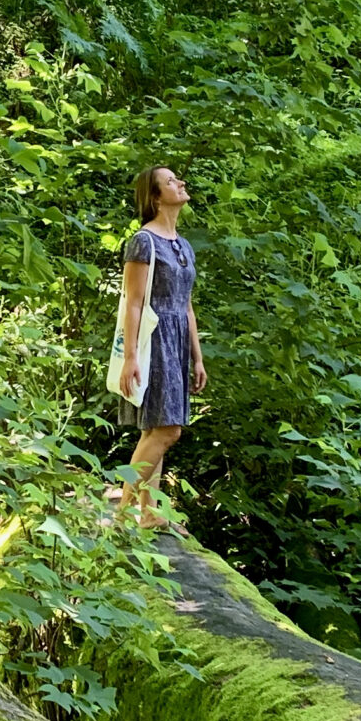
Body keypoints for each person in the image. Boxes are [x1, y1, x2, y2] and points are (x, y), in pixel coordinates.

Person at [116, 163, 205, 525]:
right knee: (168, 429)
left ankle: (149, 512)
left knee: (157, 428)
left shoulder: (182, 245)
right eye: (171, 181)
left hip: (178, 341)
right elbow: (133, 302)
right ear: (155, 197)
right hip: (153, 340)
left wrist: (197, 358)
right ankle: (121, 515)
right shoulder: (144, 241)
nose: (180, 183)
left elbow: (186, 304)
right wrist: (130, 357)